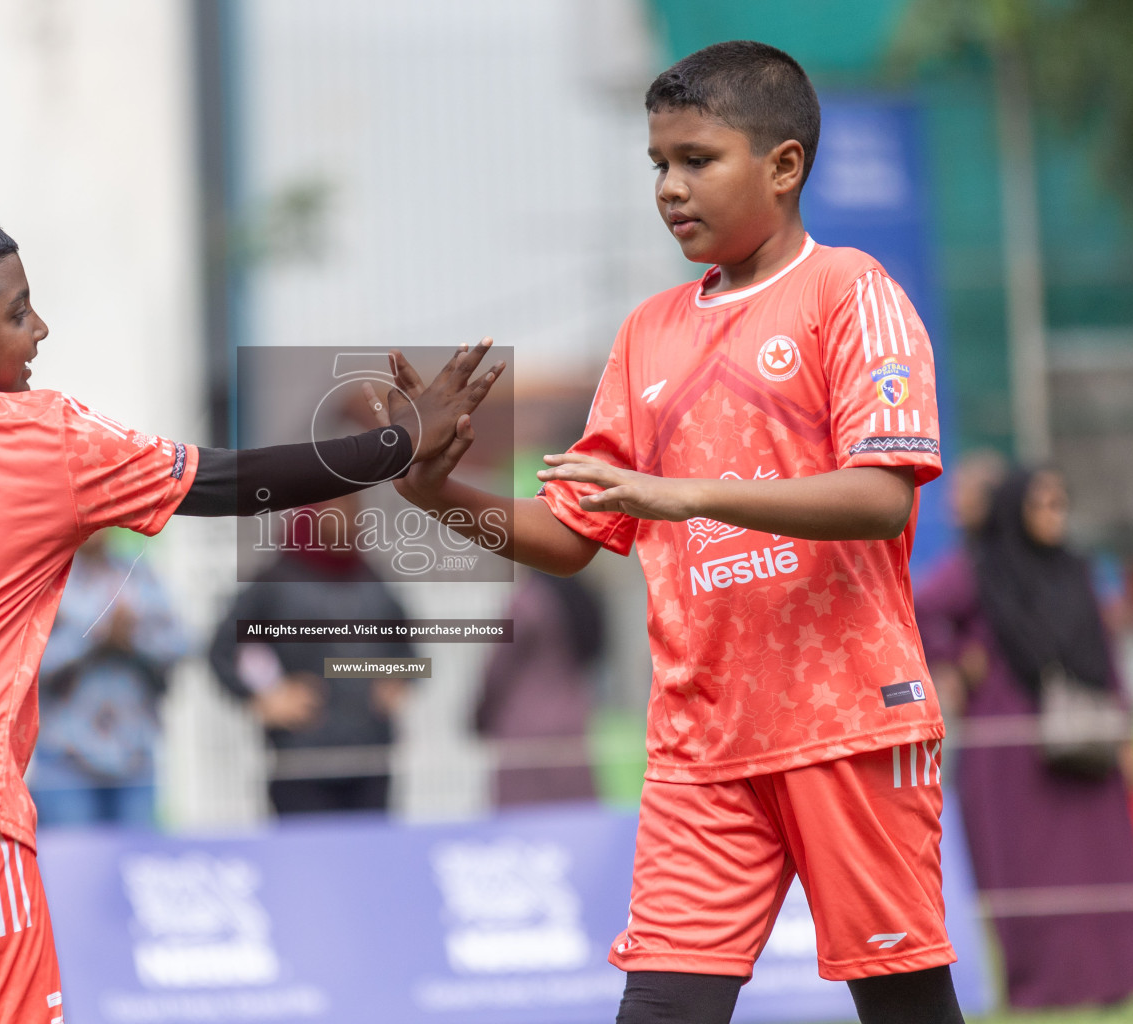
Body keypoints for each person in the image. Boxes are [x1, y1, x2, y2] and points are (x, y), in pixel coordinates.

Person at [0, 216, 503, 1022]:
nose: (40, 329)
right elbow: (225, 481)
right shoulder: (41, 436)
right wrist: (399, 443)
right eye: (18, 313)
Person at [383, 41, 963, 1024]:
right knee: (659, 1009)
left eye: (698, 159)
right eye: (658, 162)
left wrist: (684, 496)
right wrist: (437, 493)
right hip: (702, 743)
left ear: (783, 166)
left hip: (850, 725)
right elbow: (574, 533)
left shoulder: (849, 292)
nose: (668, 186)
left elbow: (879, 497)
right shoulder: (647, 332)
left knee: (904, 1008)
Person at [916, 467, 1133, 1008]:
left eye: (1059, 503)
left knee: (1098, 862)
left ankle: (1111, 981)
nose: (1053, 514)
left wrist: (1121, 728)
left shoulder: (1075, 570)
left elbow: (1103, 651)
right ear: (1015, 508)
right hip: (1013, 750)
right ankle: (1042, 988)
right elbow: (921, 610)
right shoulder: (979, 569)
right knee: (1028, 870)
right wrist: (953, 663)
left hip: (1087, 740)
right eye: (1042, 504)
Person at [208, 493, 416, 816]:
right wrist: (266, 697)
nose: (346, 519)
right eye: (336, 509)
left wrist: (396, 680)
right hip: (301, 760)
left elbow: (408, 649)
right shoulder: (275, 582)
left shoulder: (373, 581)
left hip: (369, 756)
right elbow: (222, 650)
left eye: (353, 510)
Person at [32, 530, 187, 828]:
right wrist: (95, 638)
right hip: (66, 759)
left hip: (134, 756)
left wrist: (135, 639)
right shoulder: (48, 579)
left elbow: (181, 643)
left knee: (136, 866)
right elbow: (29, 664)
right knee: (74, 868)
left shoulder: (138, 572)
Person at [473, 570, 604, 807]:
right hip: (571, 722)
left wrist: (479, 715)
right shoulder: (577, 597)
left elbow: (499, 667)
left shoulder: (527, 602)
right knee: (574, 817)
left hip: (524, 731)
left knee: (524, 824)